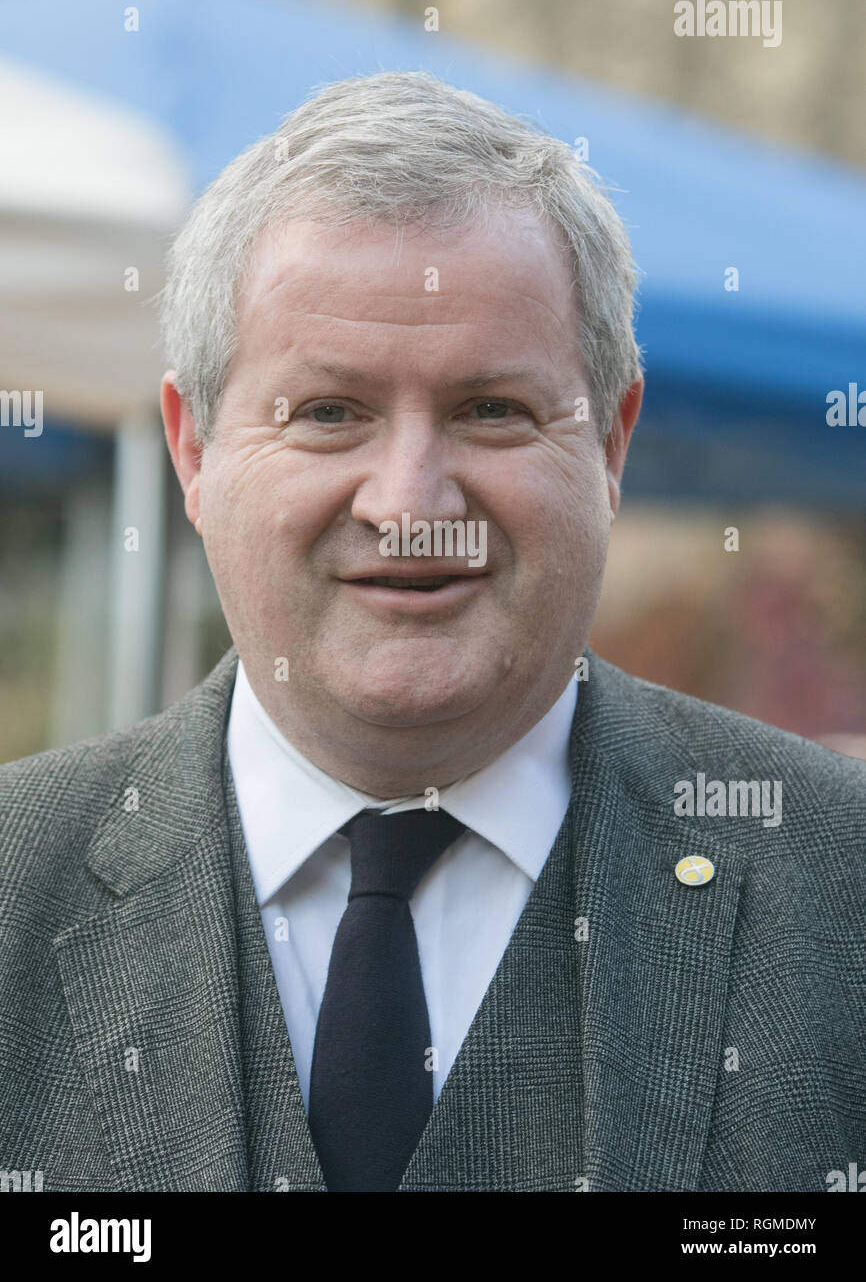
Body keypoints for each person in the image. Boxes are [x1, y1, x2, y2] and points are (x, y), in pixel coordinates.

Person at [1, 71, 863, 1193]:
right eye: (328, 413)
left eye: (488, 410)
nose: (408, 503)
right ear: (193, 451)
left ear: (608, 443)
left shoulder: (835, 888)